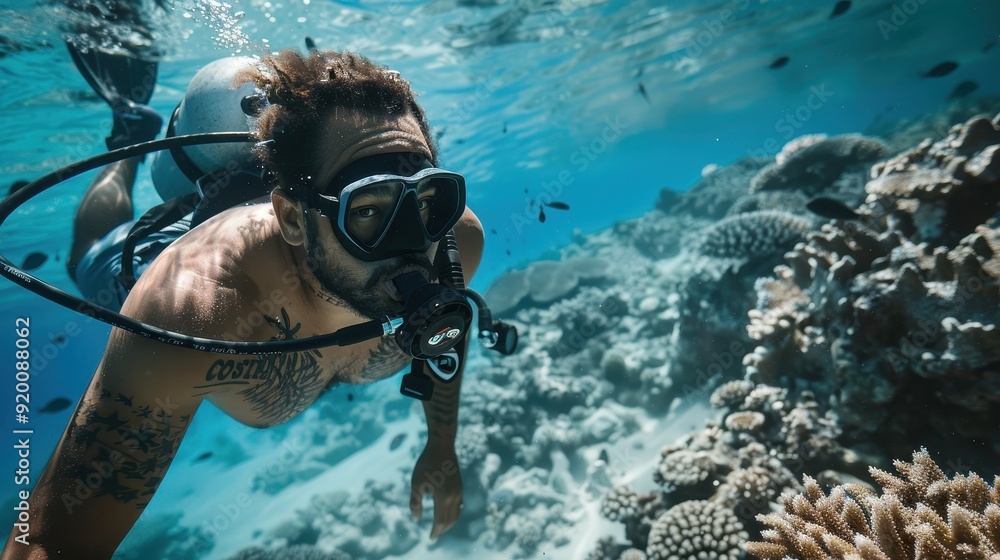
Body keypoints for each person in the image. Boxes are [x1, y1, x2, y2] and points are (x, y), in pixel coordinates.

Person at [2, 41, 484, 559]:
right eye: (368, 210)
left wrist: (441, 444)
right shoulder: (193, 312)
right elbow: (50, 542)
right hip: (148, 260)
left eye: (429, 198)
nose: (415, 242)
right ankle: (129, 136)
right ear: (295, 219)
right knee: (86, 254)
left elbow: (441, 332)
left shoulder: (452, 243)